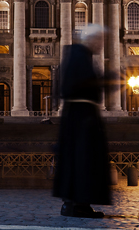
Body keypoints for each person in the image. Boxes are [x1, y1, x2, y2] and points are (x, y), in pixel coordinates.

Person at [53, 24, 111, 218]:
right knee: (83, 161)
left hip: (77, 117)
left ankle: (75, 203)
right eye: (100, 40)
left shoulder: (78, 55)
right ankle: (77, 205)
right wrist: (107, 81)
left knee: (77, 162)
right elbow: (81, 84)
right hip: (82, 118)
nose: (101, 44)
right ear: (92, 39)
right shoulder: (80, 55)